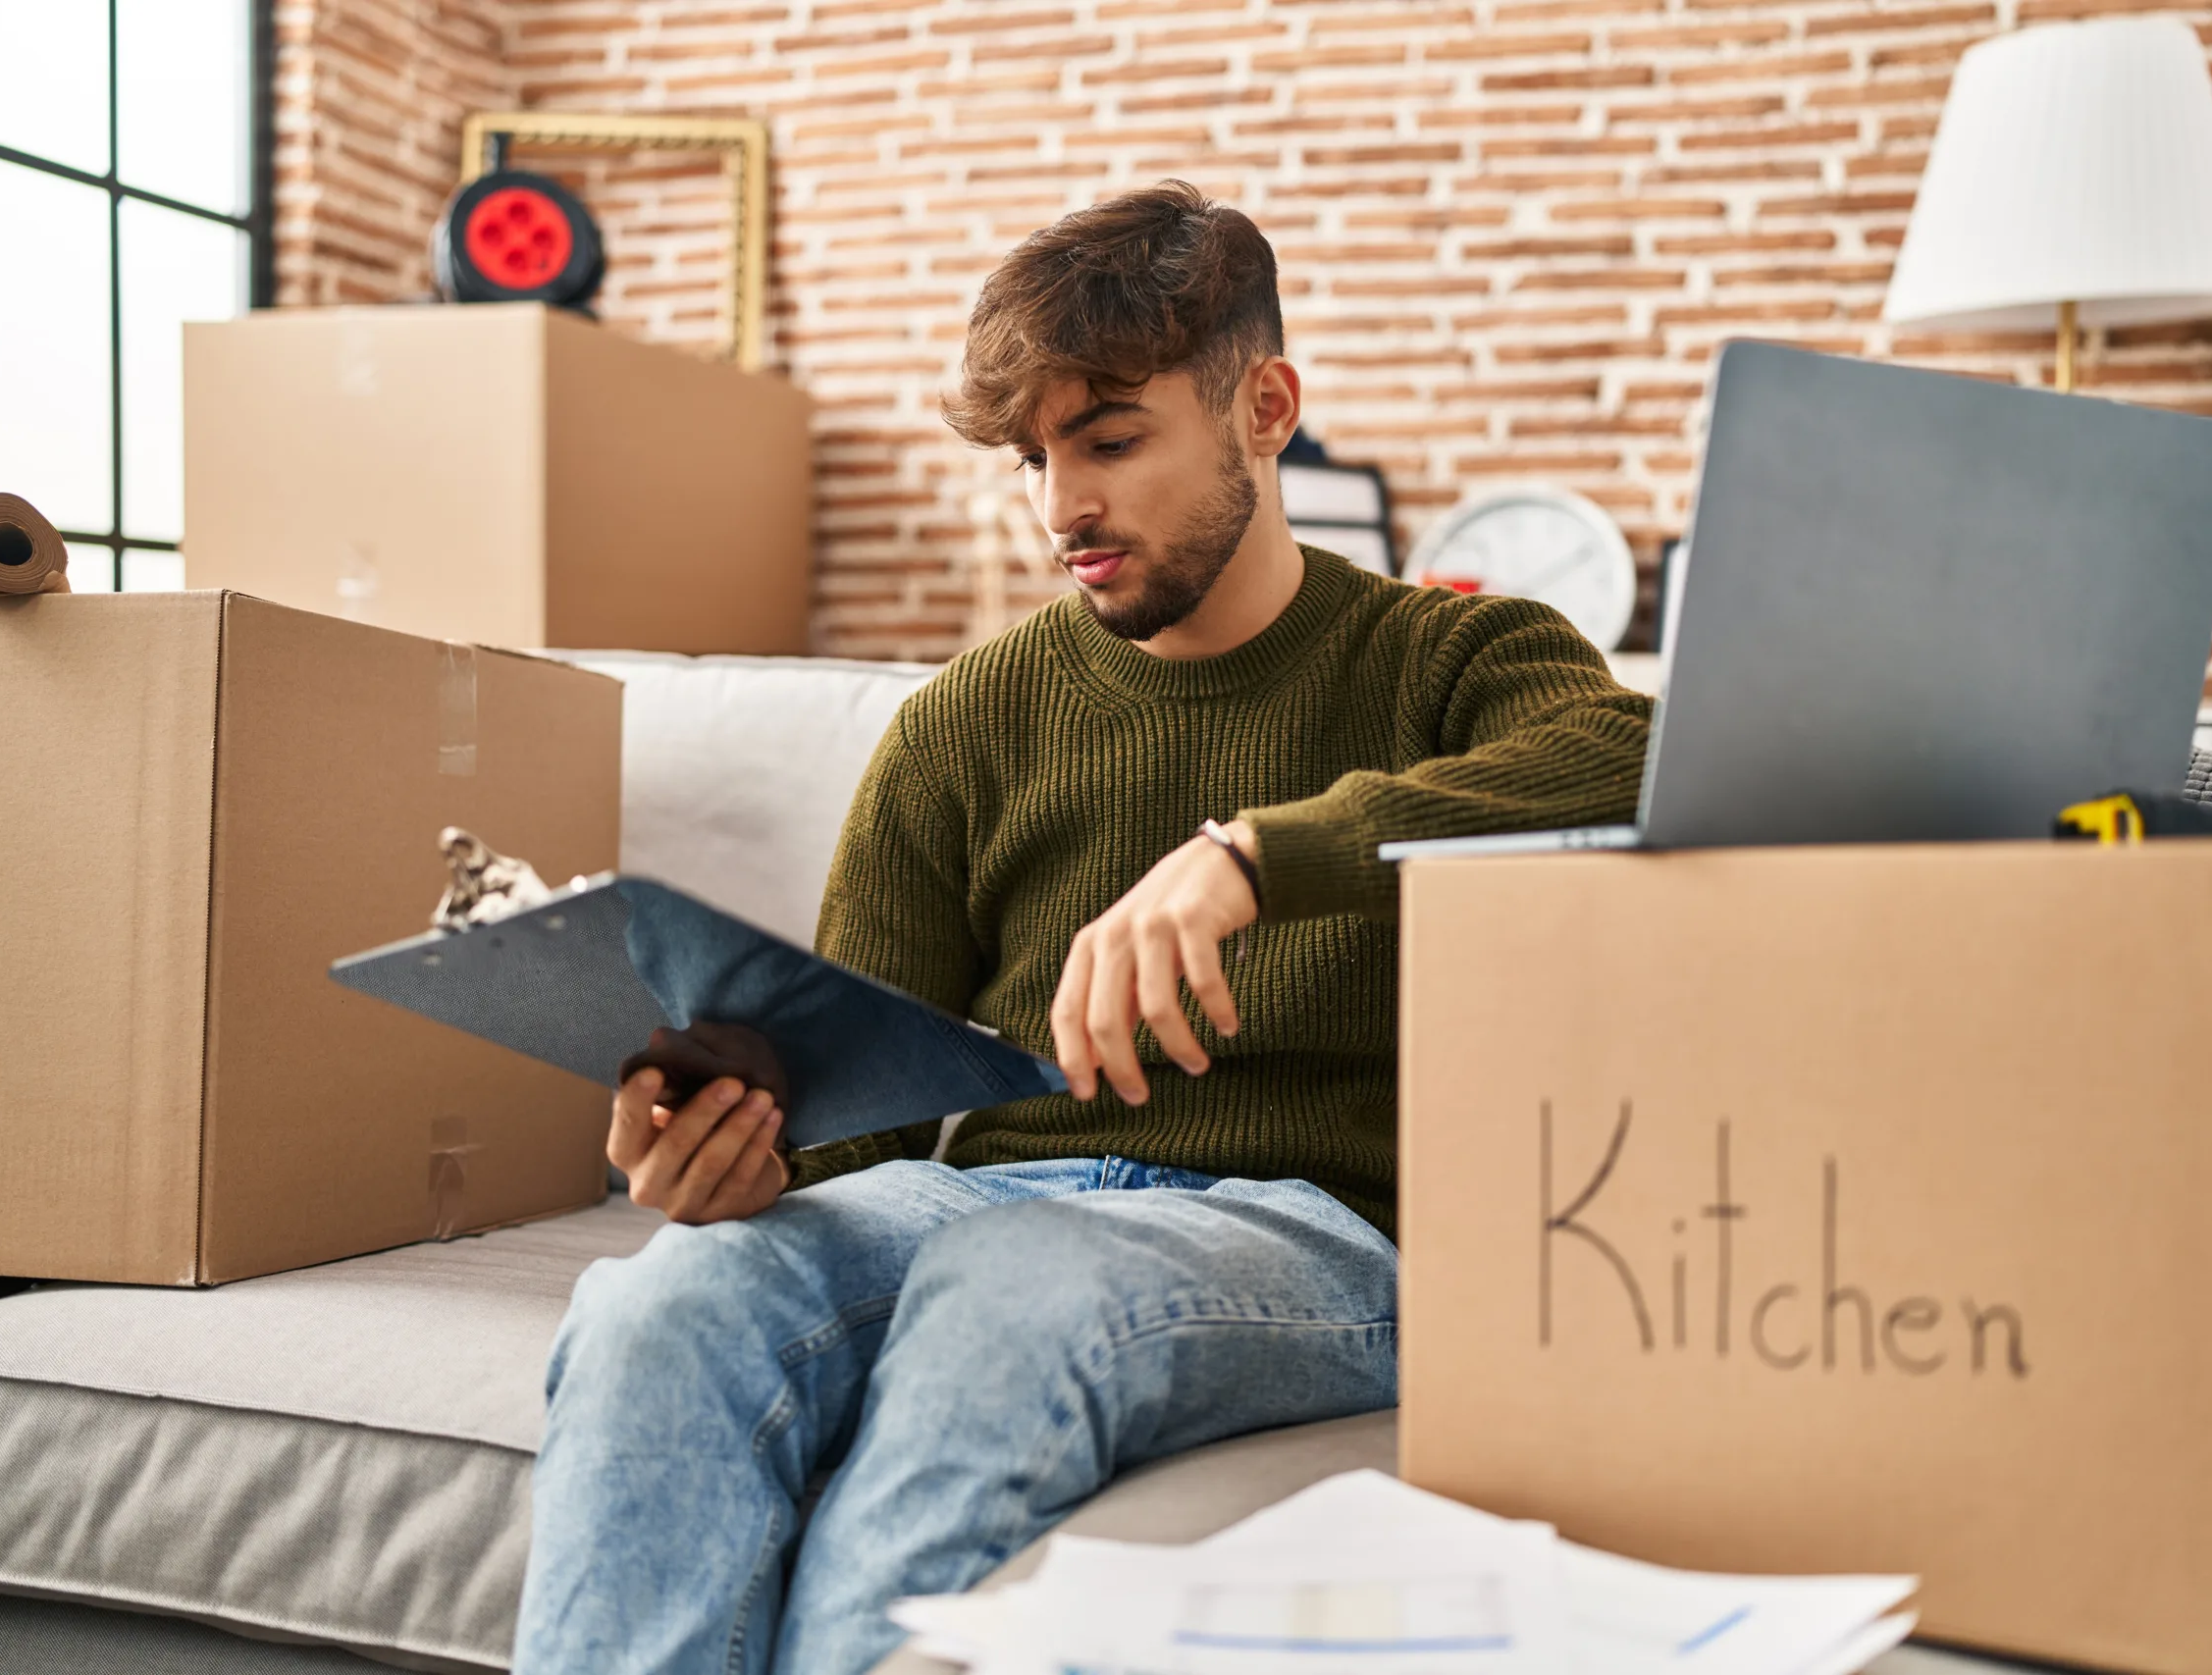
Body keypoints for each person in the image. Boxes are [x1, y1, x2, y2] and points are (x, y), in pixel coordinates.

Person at [513, 180, 1653, 1675]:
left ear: (1263, 408)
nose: (1063, 508)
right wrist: (731, 1152)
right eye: (1034, 458)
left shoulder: (1452, 656)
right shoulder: (967, 721)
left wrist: (1252, 856)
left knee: (1020, 1284)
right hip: (997, 1195)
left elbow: (1624, 760)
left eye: (1110, 439)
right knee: (665, 1304)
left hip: (1321, 1233)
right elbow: (850, 1113)